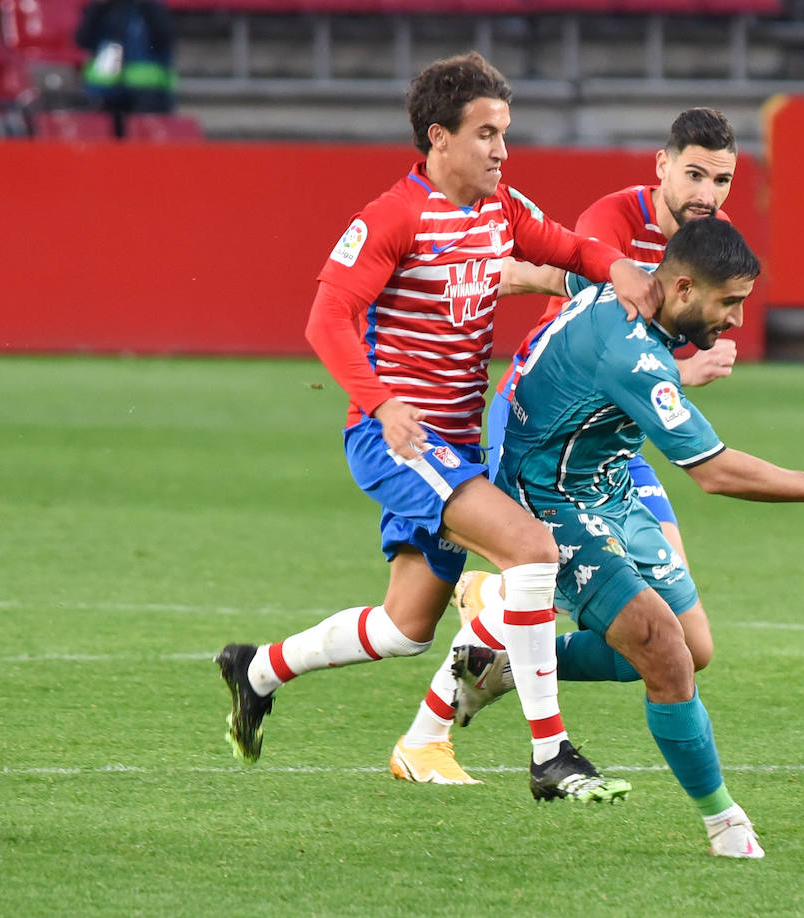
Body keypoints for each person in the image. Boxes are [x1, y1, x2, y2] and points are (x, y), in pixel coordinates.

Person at [214, 51, 662, 803]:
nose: (501, 150)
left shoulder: (500, 210)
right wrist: (382, 402)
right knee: (530, 550)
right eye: (486, 133)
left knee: (404, 627)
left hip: (452, 446)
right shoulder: (392, 216)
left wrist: (619, 269)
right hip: (401, 441)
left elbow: (570, 250)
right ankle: (550, 755)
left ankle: (256, 669)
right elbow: (327, 318)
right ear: (438, 138)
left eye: (505, 133)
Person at [441, 217, 804, 857]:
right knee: (664, 650)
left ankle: (497, 665)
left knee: (695, 647)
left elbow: (553, 265)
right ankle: (724, 822)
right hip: (545, 497)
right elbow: (714, 473)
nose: (738, 323)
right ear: (685, 288)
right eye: (730, 303)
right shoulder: (632, 354)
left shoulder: (632, 286)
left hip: (604, 480)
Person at [388, 109, 742, 761]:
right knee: (564, 594)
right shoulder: (611, 223)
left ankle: (496, 659)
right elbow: (583, 332)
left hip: (616, 444)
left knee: (688, 644)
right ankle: (432, 734)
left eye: (720, 181)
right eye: (694, 174)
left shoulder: (710, 246)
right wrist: (679, 373)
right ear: (662, 166)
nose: (707, 195)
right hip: (549, 431)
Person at [74, 0, 176, 138]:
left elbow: (162, 39)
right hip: (105, 91)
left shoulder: (150, 8)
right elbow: (82, 41)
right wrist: (98, 8)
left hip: (146, 93)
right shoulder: (102, 9)